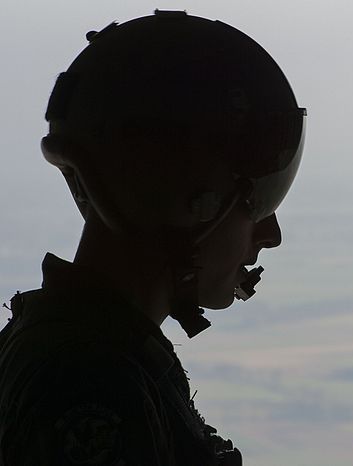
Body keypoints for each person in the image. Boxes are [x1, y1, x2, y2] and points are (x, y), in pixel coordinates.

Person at [0, 10, 306, 465]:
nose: (271, 235)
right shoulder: (89, 380)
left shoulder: (96, 349)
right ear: (186, 200)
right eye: (254, 199)